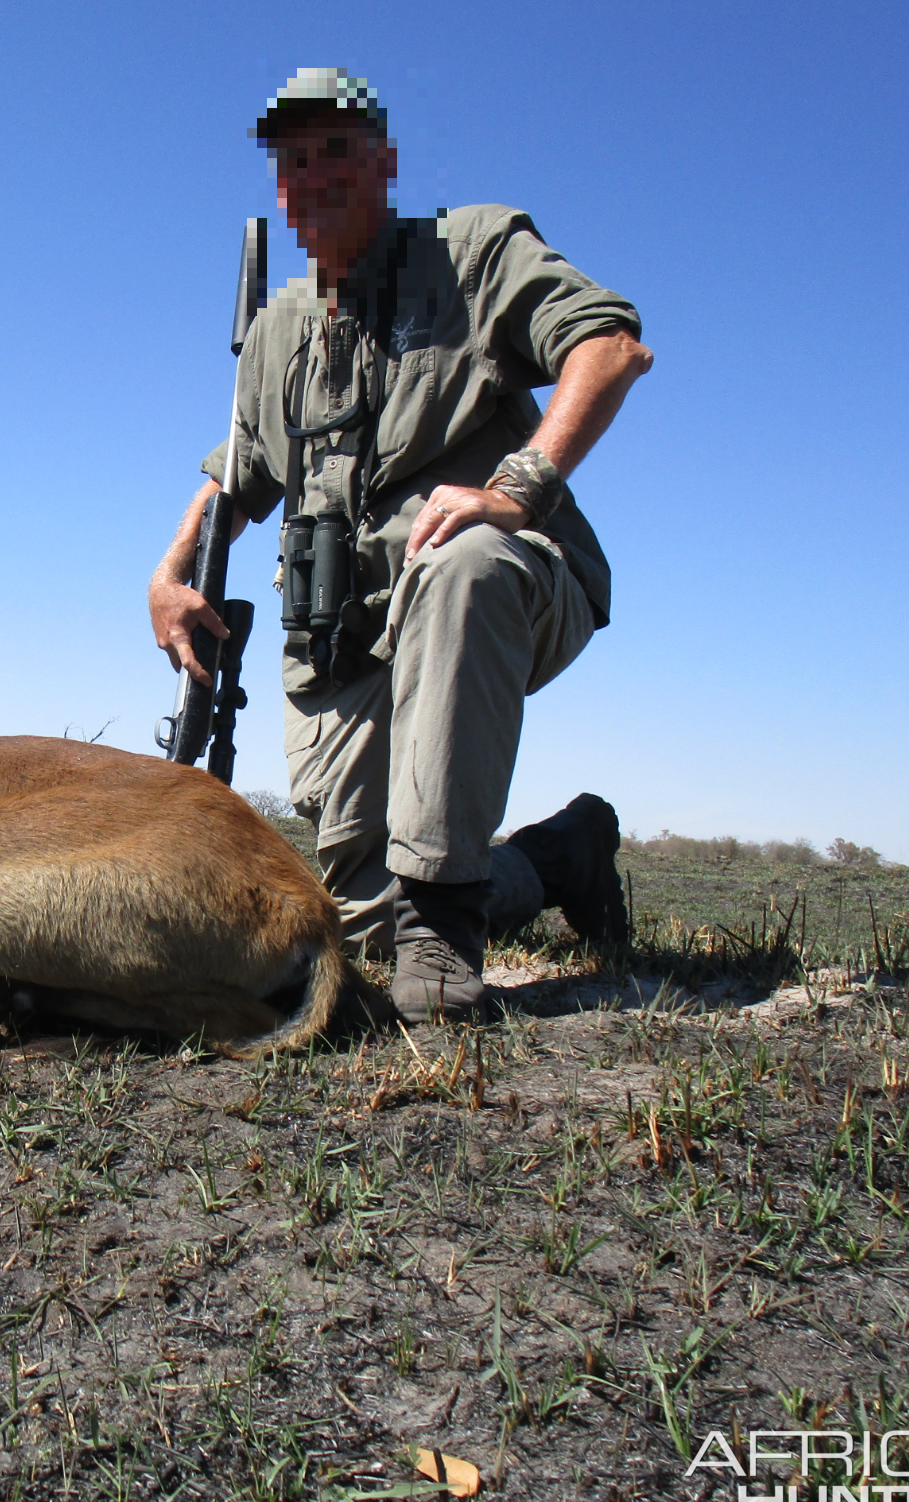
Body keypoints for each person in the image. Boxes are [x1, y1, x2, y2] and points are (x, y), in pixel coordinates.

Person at [148, 69, 653, 1021]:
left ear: (382, 162)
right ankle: (559, 858)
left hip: (500, 586)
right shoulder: (276, 332)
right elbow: (237, 477)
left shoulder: (473, 250)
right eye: (293, 163)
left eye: (335, 152)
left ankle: (446, 921)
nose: (313, 177)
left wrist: (518, 489)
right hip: (346, 643)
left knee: (459, 567)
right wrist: (173, 572)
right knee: (361, 922)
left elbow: (611, 344)